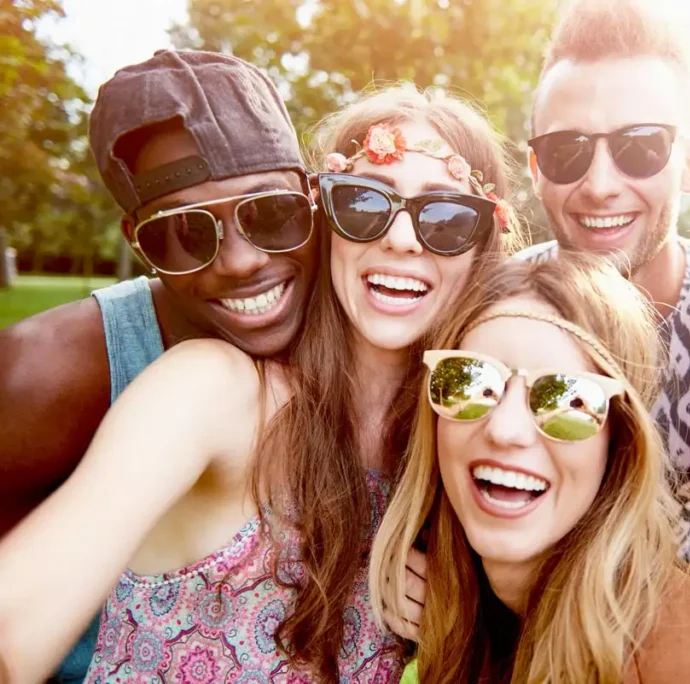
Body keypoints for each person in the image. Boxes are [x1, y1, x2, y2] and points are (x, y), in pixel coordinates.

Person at [0, 86, 524, 684]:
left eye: (447, 218)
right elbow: (12, 628)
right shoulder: (212, 395)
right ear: (321, 219)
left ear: (483, 248)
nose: (402, 239)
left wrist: (465, 607)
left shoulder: (457, 460)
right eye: (362, 204)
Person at [0, 49, 320, 683]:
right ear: (136, 239)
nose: (240, 261)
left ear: (312, 201)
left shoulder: (357, 327)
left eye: (270, 214)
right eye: (186, 232)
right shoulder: (47, 373)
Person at [371, 253, 690, 683]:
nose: (505, 429)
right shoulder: (472, 608)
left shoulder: (675, 653)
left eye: (567, 400)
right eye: (471, 381)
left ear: (621, 440)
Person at [516, 0, 690, 604]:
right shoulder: (502, 306)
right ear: (535, 167)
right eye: (567, 151)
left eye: (642, 146)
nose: (599, 185)